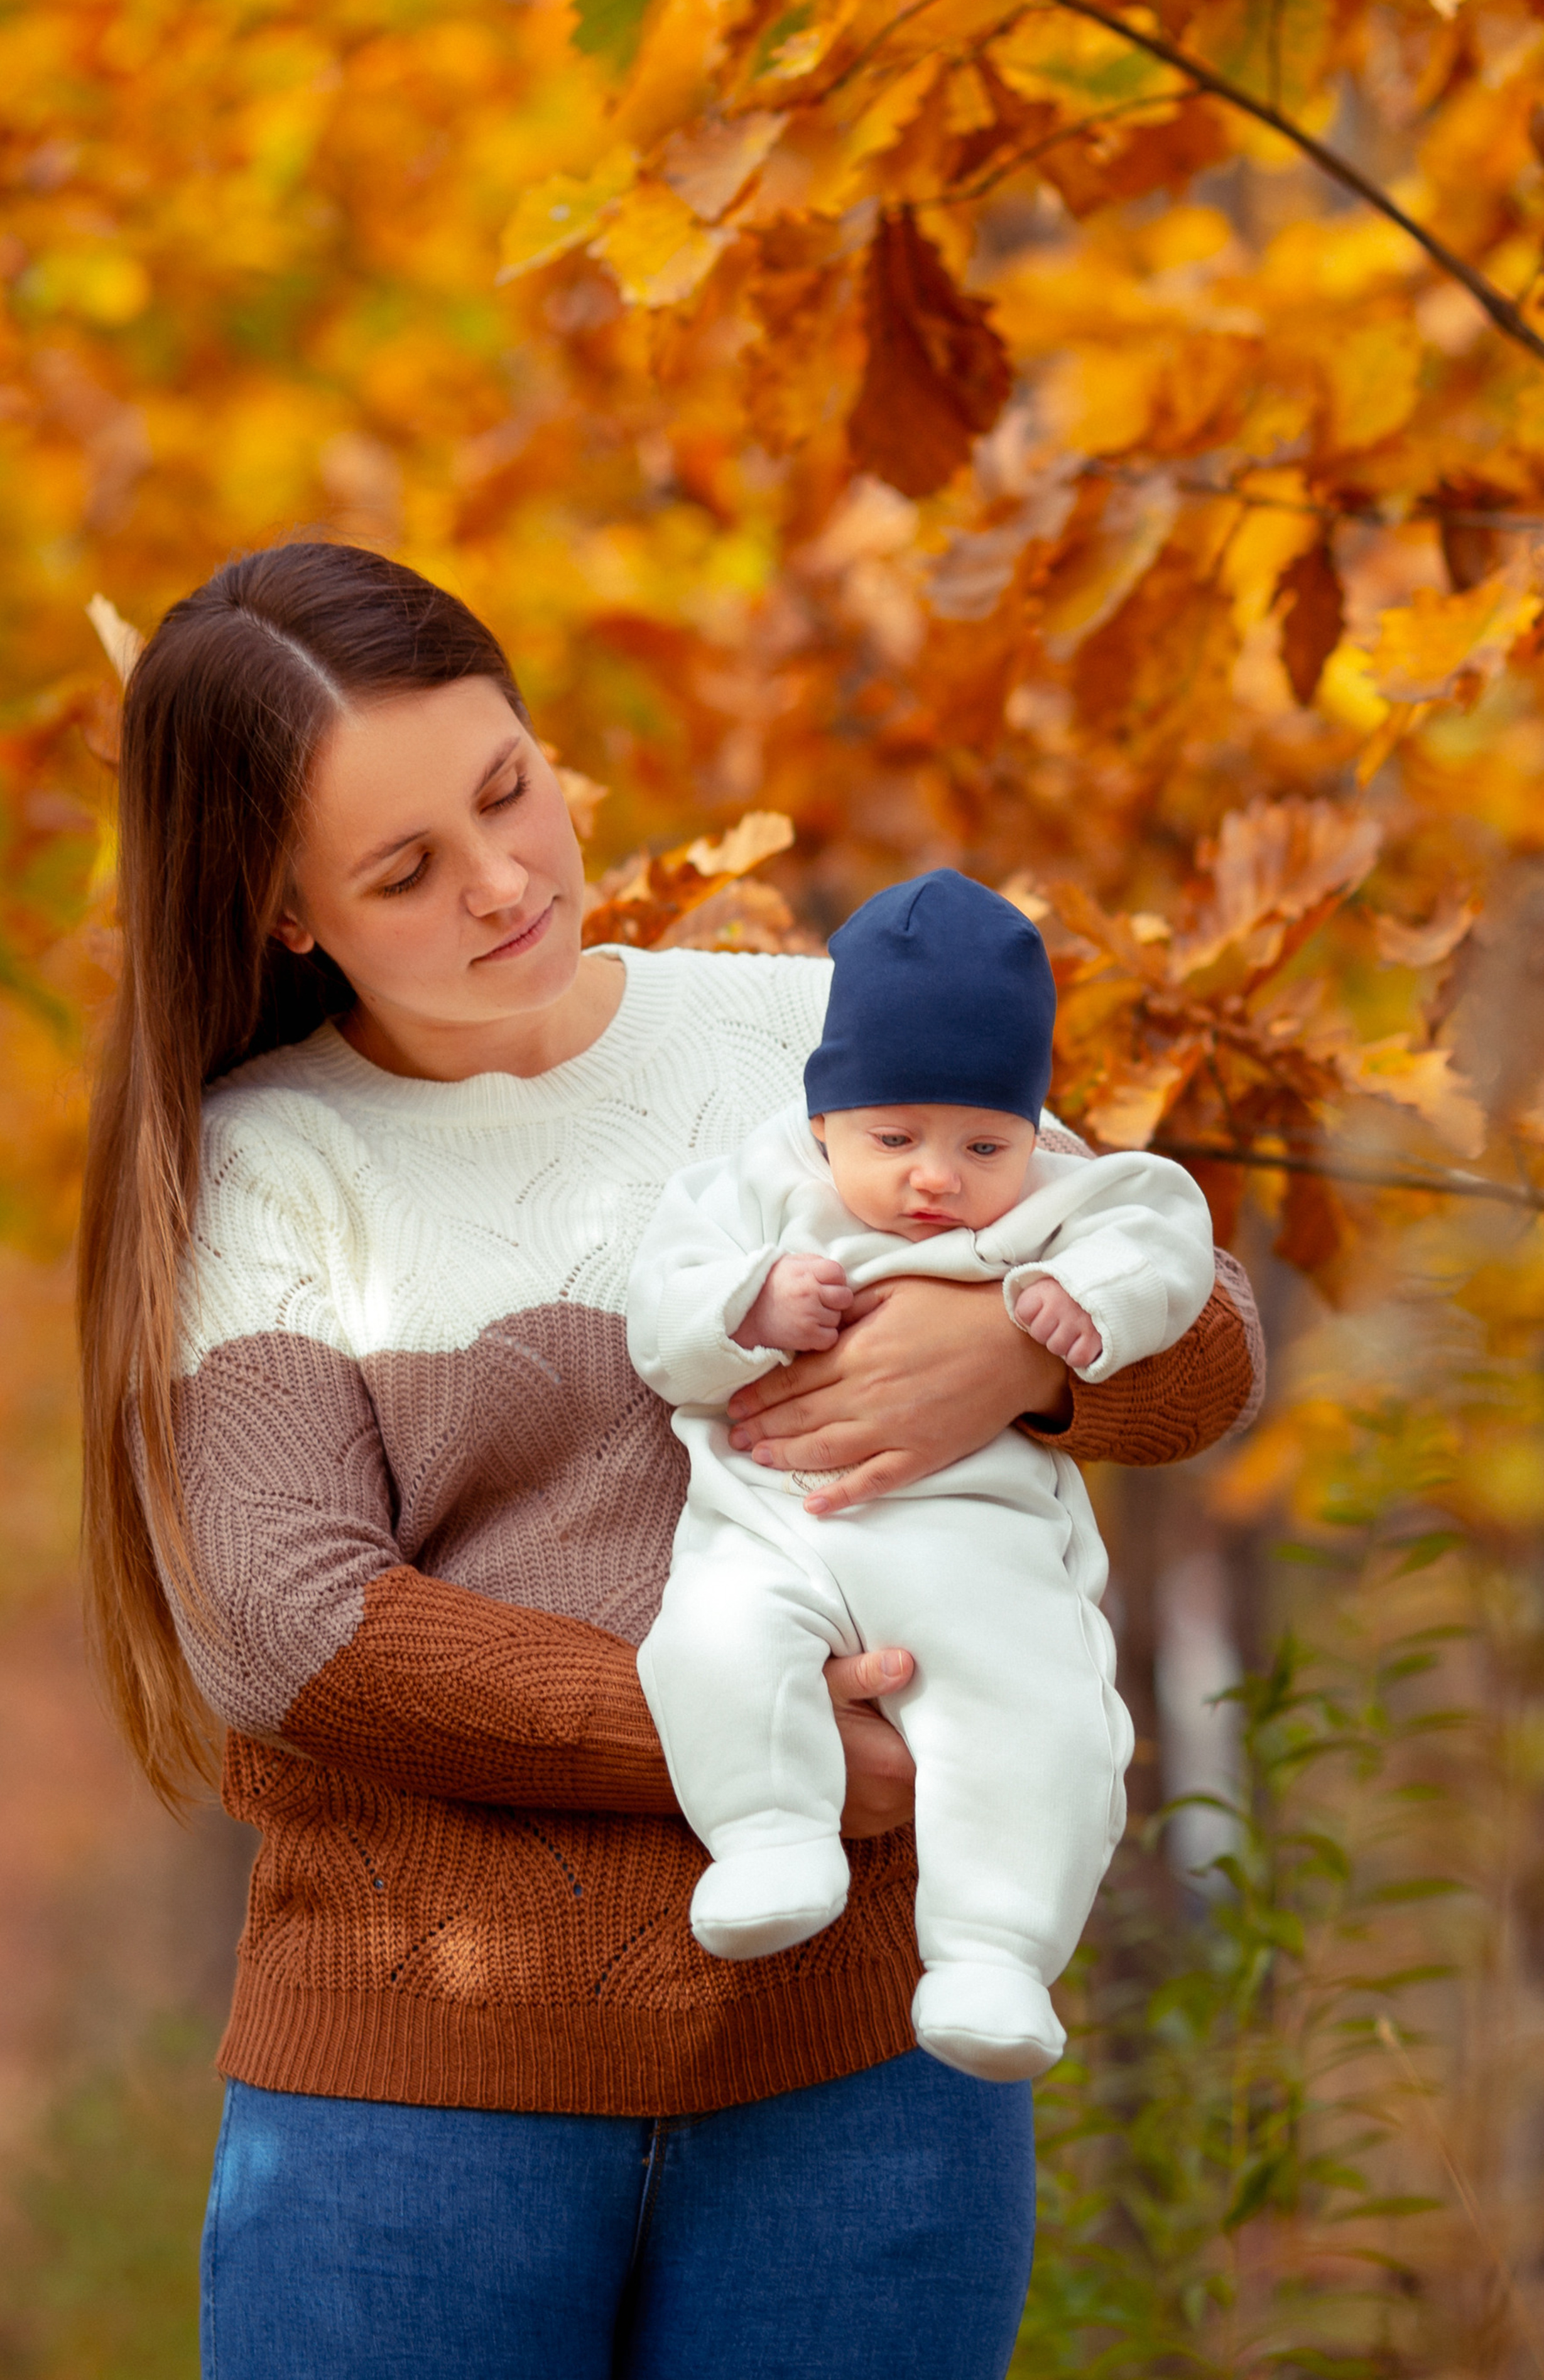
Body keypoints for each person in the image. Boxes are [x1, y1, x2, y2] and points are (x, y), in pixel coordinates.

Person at [77, 541, 1266, 2380]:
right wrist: (800, 1759)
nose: (505, 882)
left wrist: (1002, 1367)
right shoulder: (261, 1163)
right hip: (417, 2111)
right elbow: (295, 1632)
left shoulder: (799, 1037)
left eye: (509, 790)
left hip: (866, 2087)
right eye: (406, 871)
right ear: (283, 912)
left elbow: (1199, 1339)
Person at [628, 871, 1216, 2083]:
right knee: (709, 1643)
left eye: (981, 1143)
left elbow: (1166, 1224)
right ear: (828, 1122)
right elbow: (662, 1320)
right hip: (773, 1527)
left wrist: (1079, 1305)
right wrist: (748, 1304)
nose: (936, 1180)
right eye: (894, 1139)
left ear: (1030, 1129)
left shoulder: (1054, 1194)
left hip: (973, 1546)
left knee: (1034, 1719)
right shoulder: (757, 1188)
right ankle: (769, 1835)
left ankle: (996, 1954)